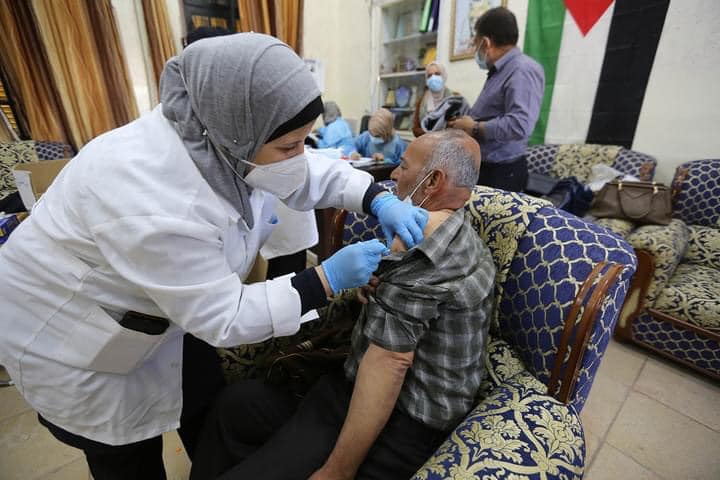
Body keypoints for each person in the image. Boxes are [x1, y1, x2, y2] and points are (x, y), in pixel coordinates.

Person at [0, 34, 429, 480]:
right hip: (70, 340)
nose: (299, 156)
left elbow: (302, 169)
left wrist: (377, 196)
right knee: (127, 457)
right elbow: (224, 316)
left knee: (203, 401)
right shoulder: (149, 196)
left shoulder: (223, 136)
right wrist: (323, 280)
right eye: (289, 146)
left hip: (165, 315)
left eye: (305, 140)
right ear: (238, 135)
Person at [189, 130, 497, 480]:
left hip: (400, 417)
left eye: (404, 165)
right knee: (235, 406)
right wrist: (369, 286)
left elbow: (391, 362)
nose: (394, 174)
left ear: (433, 181)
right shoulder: (451, 225)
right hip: (348, 384)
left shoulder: (426, 249)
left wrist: (338, 469)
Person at [448, 6, 544, 192]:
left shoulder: (521, 70)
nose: (477, 50)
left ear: (486, 43)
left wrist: (474, 127)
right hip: (485, 165)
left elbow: (520, 125)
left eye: (475, 44)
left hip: (502, 172)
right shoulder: (500, 71)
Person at [412, 62, 455, 137]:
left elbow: (459, 128)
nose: (433, 78)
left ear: (444, 76)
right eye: (429, 75)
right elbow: (415, 129)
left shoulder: (455, 99)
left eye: (437, 74)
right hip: (427, 145)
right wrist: (431, 133)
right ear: (426, 80)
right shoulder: (421, 101)